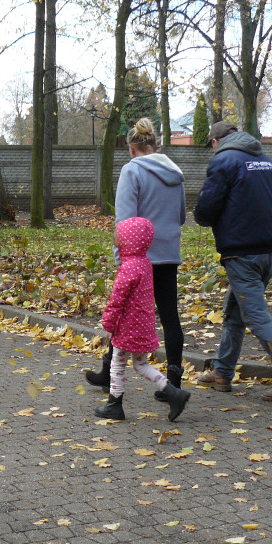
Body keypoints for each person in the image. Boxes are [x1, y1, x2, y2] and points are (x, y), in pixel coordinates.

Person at [194, 121, 272, 402]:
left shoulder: (223, 161)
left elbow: (205, 212)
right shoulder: (268, 162)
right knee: (235, 311)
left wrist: (202, 213)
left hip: (241, 252)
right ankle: (222, 372)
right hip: (268, 250)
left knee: (256, 315)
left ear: (216, 140)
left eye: (211, 143)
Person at [85, 117, 186, 396]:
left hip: (139, 257)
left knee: (123, 314)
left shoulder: (132, 171)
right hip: (169, 254)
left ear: (132, 148)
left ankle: (108, 371)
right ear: (156, 145)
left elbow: (124, 221)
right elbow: (181, 217)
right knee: (170, 316)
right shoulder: (176, 174)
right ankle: (174, 382)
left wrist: (122, 259)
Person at [95, 217, 190, 422]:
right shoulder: (145, 263)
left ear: (127, 242)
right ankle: (173, 392)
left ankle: (114, 405)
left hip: (128, 325)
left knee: (117, 363)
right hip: (143, 324)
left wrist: (109, 324)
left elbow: (117, 299)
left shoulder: (128, 268)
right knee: (140, 364)